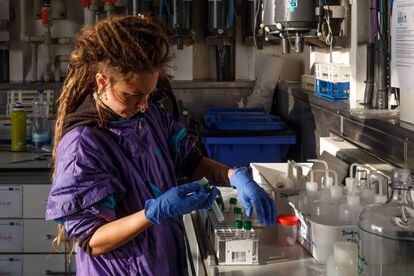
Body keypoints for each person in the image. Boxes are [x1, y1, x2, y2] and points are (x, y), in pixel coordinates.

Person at [45, 15, 276, 276]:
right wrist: (154, 211)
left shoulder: (148, 116)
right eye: (132, 95)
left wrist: (235, 177)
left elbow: (190, 161)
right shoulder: (84, 146)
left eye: (149, 94)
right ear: (102, 82)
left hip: (163, 263)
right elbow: (92, 240)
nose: (144, 103)